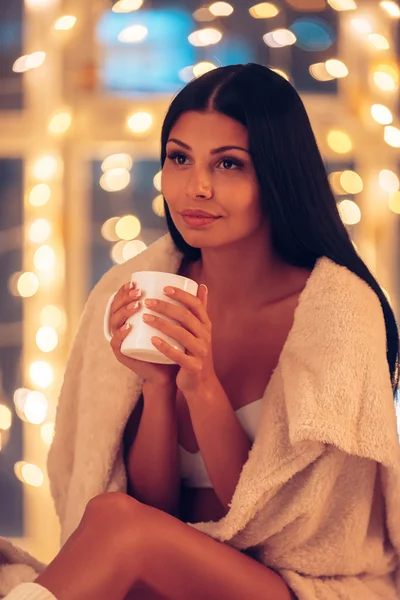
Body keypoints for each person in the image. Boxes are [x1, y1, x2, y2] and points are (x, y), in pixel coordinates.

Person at [4, 63, 400, 600]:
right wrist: (157, 386)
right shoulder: (145, 290)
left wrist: (203, 385)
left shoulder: (338, 316)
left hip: (295, 584)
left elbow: (270, 520)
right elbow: (156, 512)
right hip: (171, 572)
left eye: (230, 164)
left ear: (278, 175)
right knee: (115, 524)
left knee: (118, 526)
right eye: (179, 158)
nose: (197, 187)